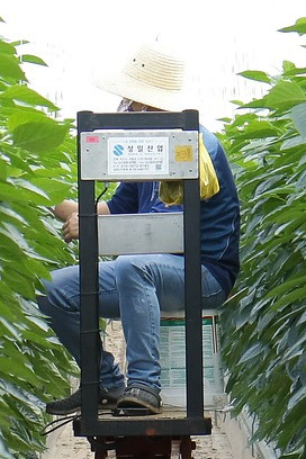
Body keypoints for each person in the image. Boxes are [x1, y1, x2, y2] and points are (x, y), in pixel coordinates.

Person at [38, 44, 242, 416]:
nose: (122, 109)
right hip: (149, 273)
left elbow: (162, 235)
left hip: (203, 274)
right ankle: (104, 382)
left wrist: (91, 228)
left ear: (146, 105)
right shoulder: (148, 149)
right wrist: (54, 201)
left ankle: (145, 385)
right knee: (53, 290)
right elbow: (115, 209)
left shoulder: (194, 149)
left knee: (134, 265)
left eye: (128, 102)